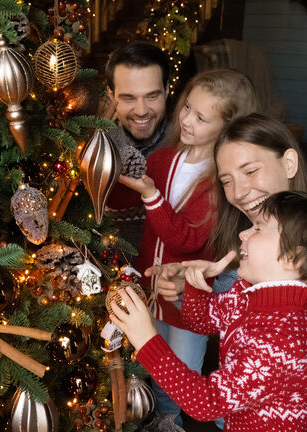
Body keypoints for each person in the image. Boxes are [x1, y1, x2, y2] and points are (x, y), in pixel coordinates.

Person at [147, 113, 307, 432]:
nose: (238, 193)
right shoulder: (247, 231)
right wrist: (191, 287)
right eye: (226, 180)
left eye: (250, 170)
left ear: (290, 163)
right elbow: (232, 319)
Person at [110, 190, 307, 431]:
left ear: (294, 257)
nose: (243, 234)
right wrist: (195, 284)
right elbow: (202, 321)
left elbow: (206, 403)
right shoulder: (252, 294)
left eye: (258, 229)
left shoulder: (283, 342)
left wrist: (146, 340)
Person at [115, 69, 259, 431]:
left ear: (226, 127)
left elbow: (187, 240)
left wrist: (150, 194)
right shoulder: (164, 160)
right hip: (151, 283)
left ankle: (170, 420)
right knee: (150, 352)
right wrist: (107, 171)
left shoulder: (217, 180)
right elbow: (122, 195)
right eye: (187, 109)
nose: (187, 120)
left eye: (201, 117)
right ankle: (153, 413)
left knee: (181, 364)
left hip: (188, 294)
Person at [103, 41, 173, 244]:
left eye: (152, 96)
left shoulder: (191, 148)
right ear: (111, 95)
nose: (141, 111)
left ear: (167, 90)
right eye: (128, 98)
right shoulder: (97, 152)